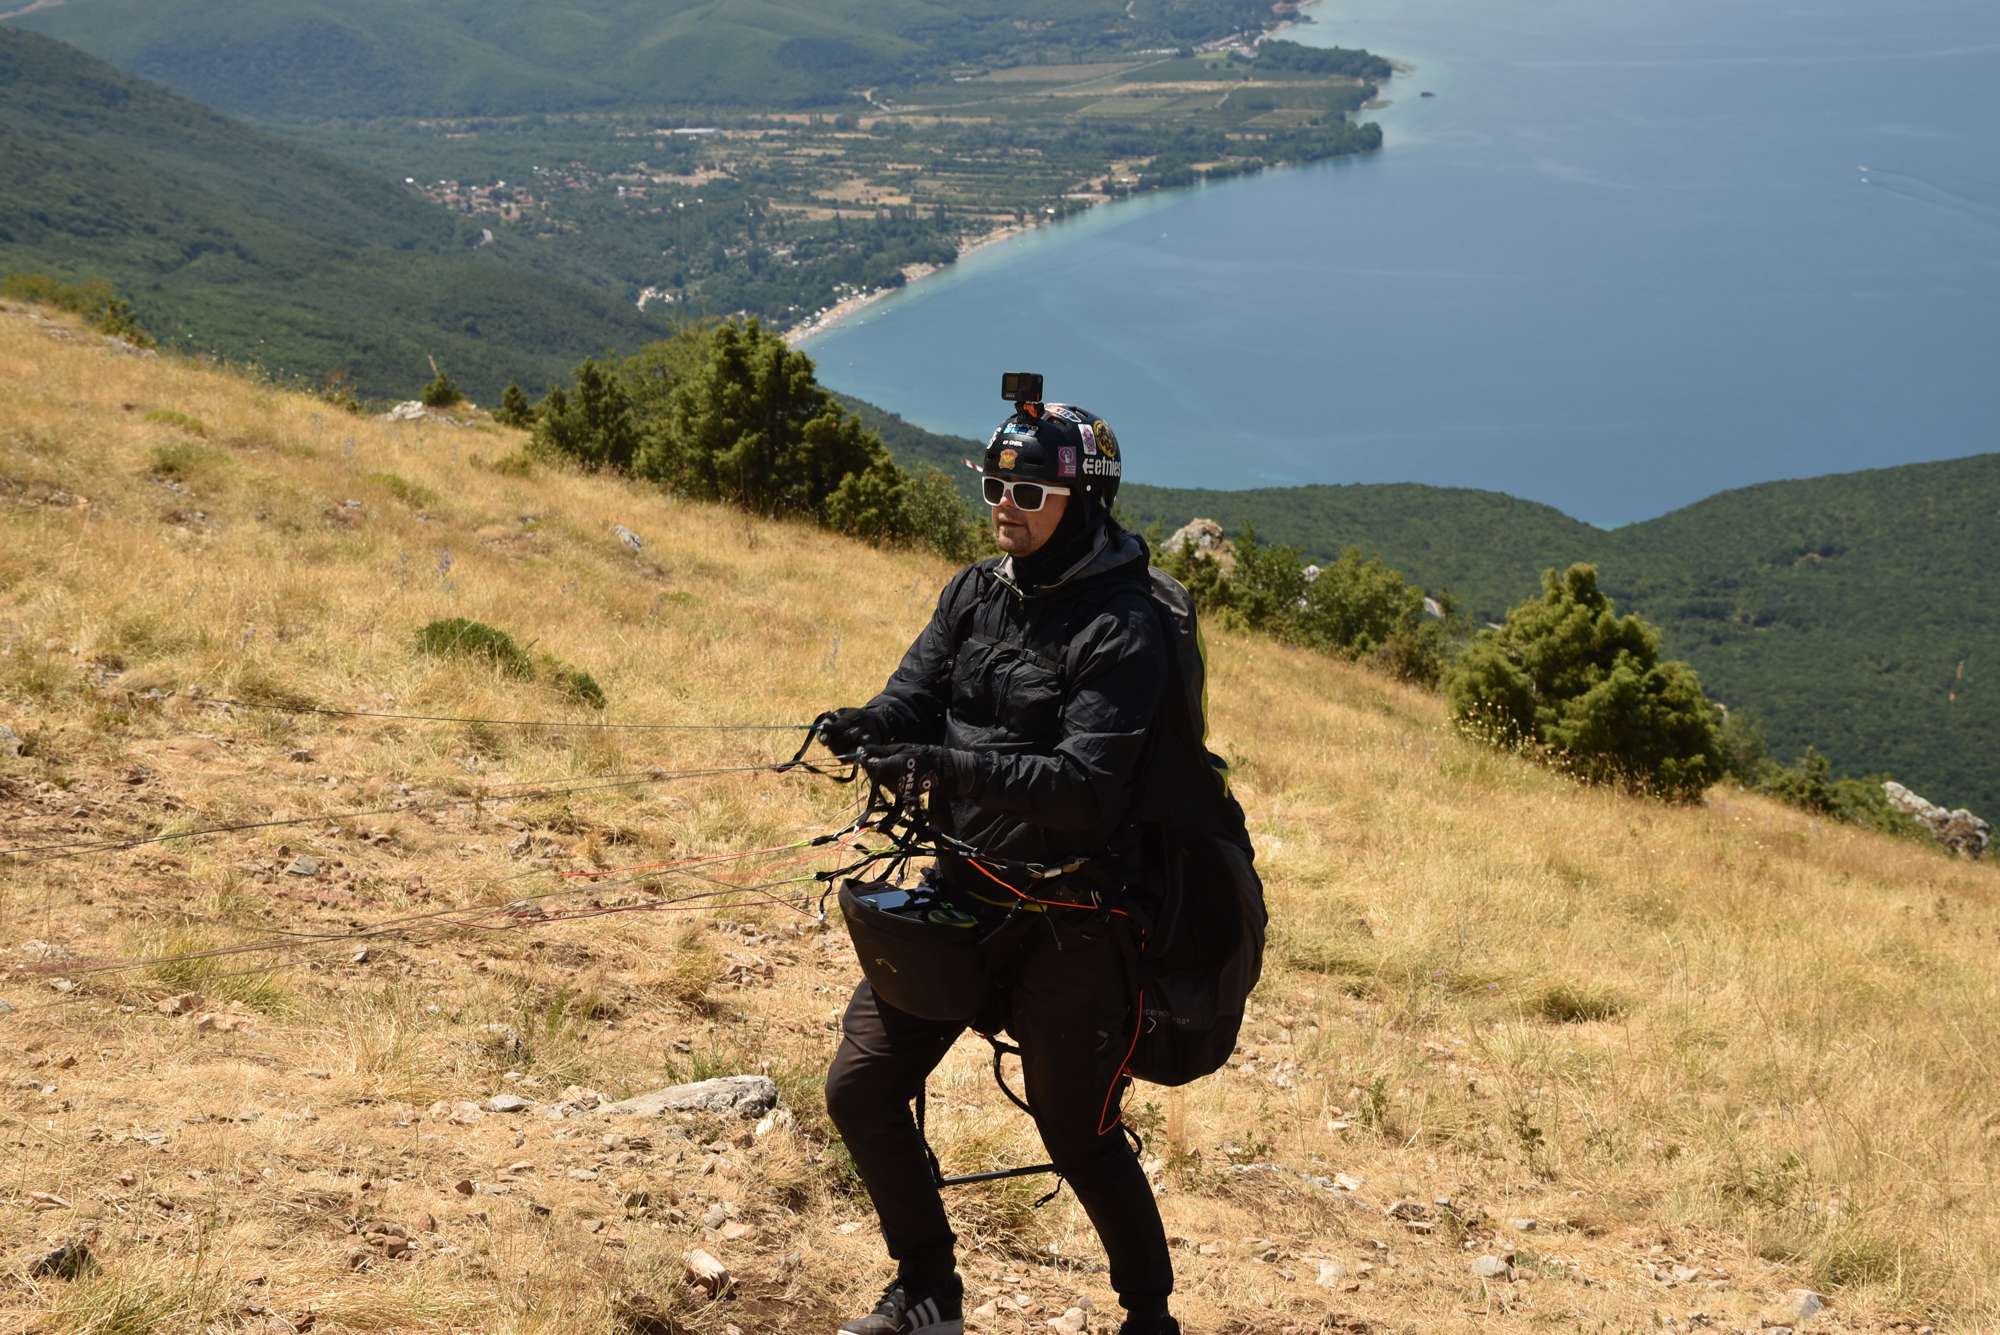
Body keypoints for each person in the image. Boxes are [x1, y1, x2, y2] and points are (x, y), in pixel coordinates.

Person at [820, 398, 1183, 1335]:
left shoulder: (1125, 627)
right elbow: (913, 697)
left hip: (1075, 922)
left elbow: (1085, 787)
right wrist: (870, 725)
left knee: (1076, 1128)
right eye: (993, 485)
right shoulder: (975, 592)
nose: (1003, 506)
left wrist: (938, 766)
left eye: (1027, 492)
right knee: (860, 1086)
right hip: (963, 890)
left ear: (1084, 499)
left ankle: (1150, 1317)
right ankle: (928, 1290)